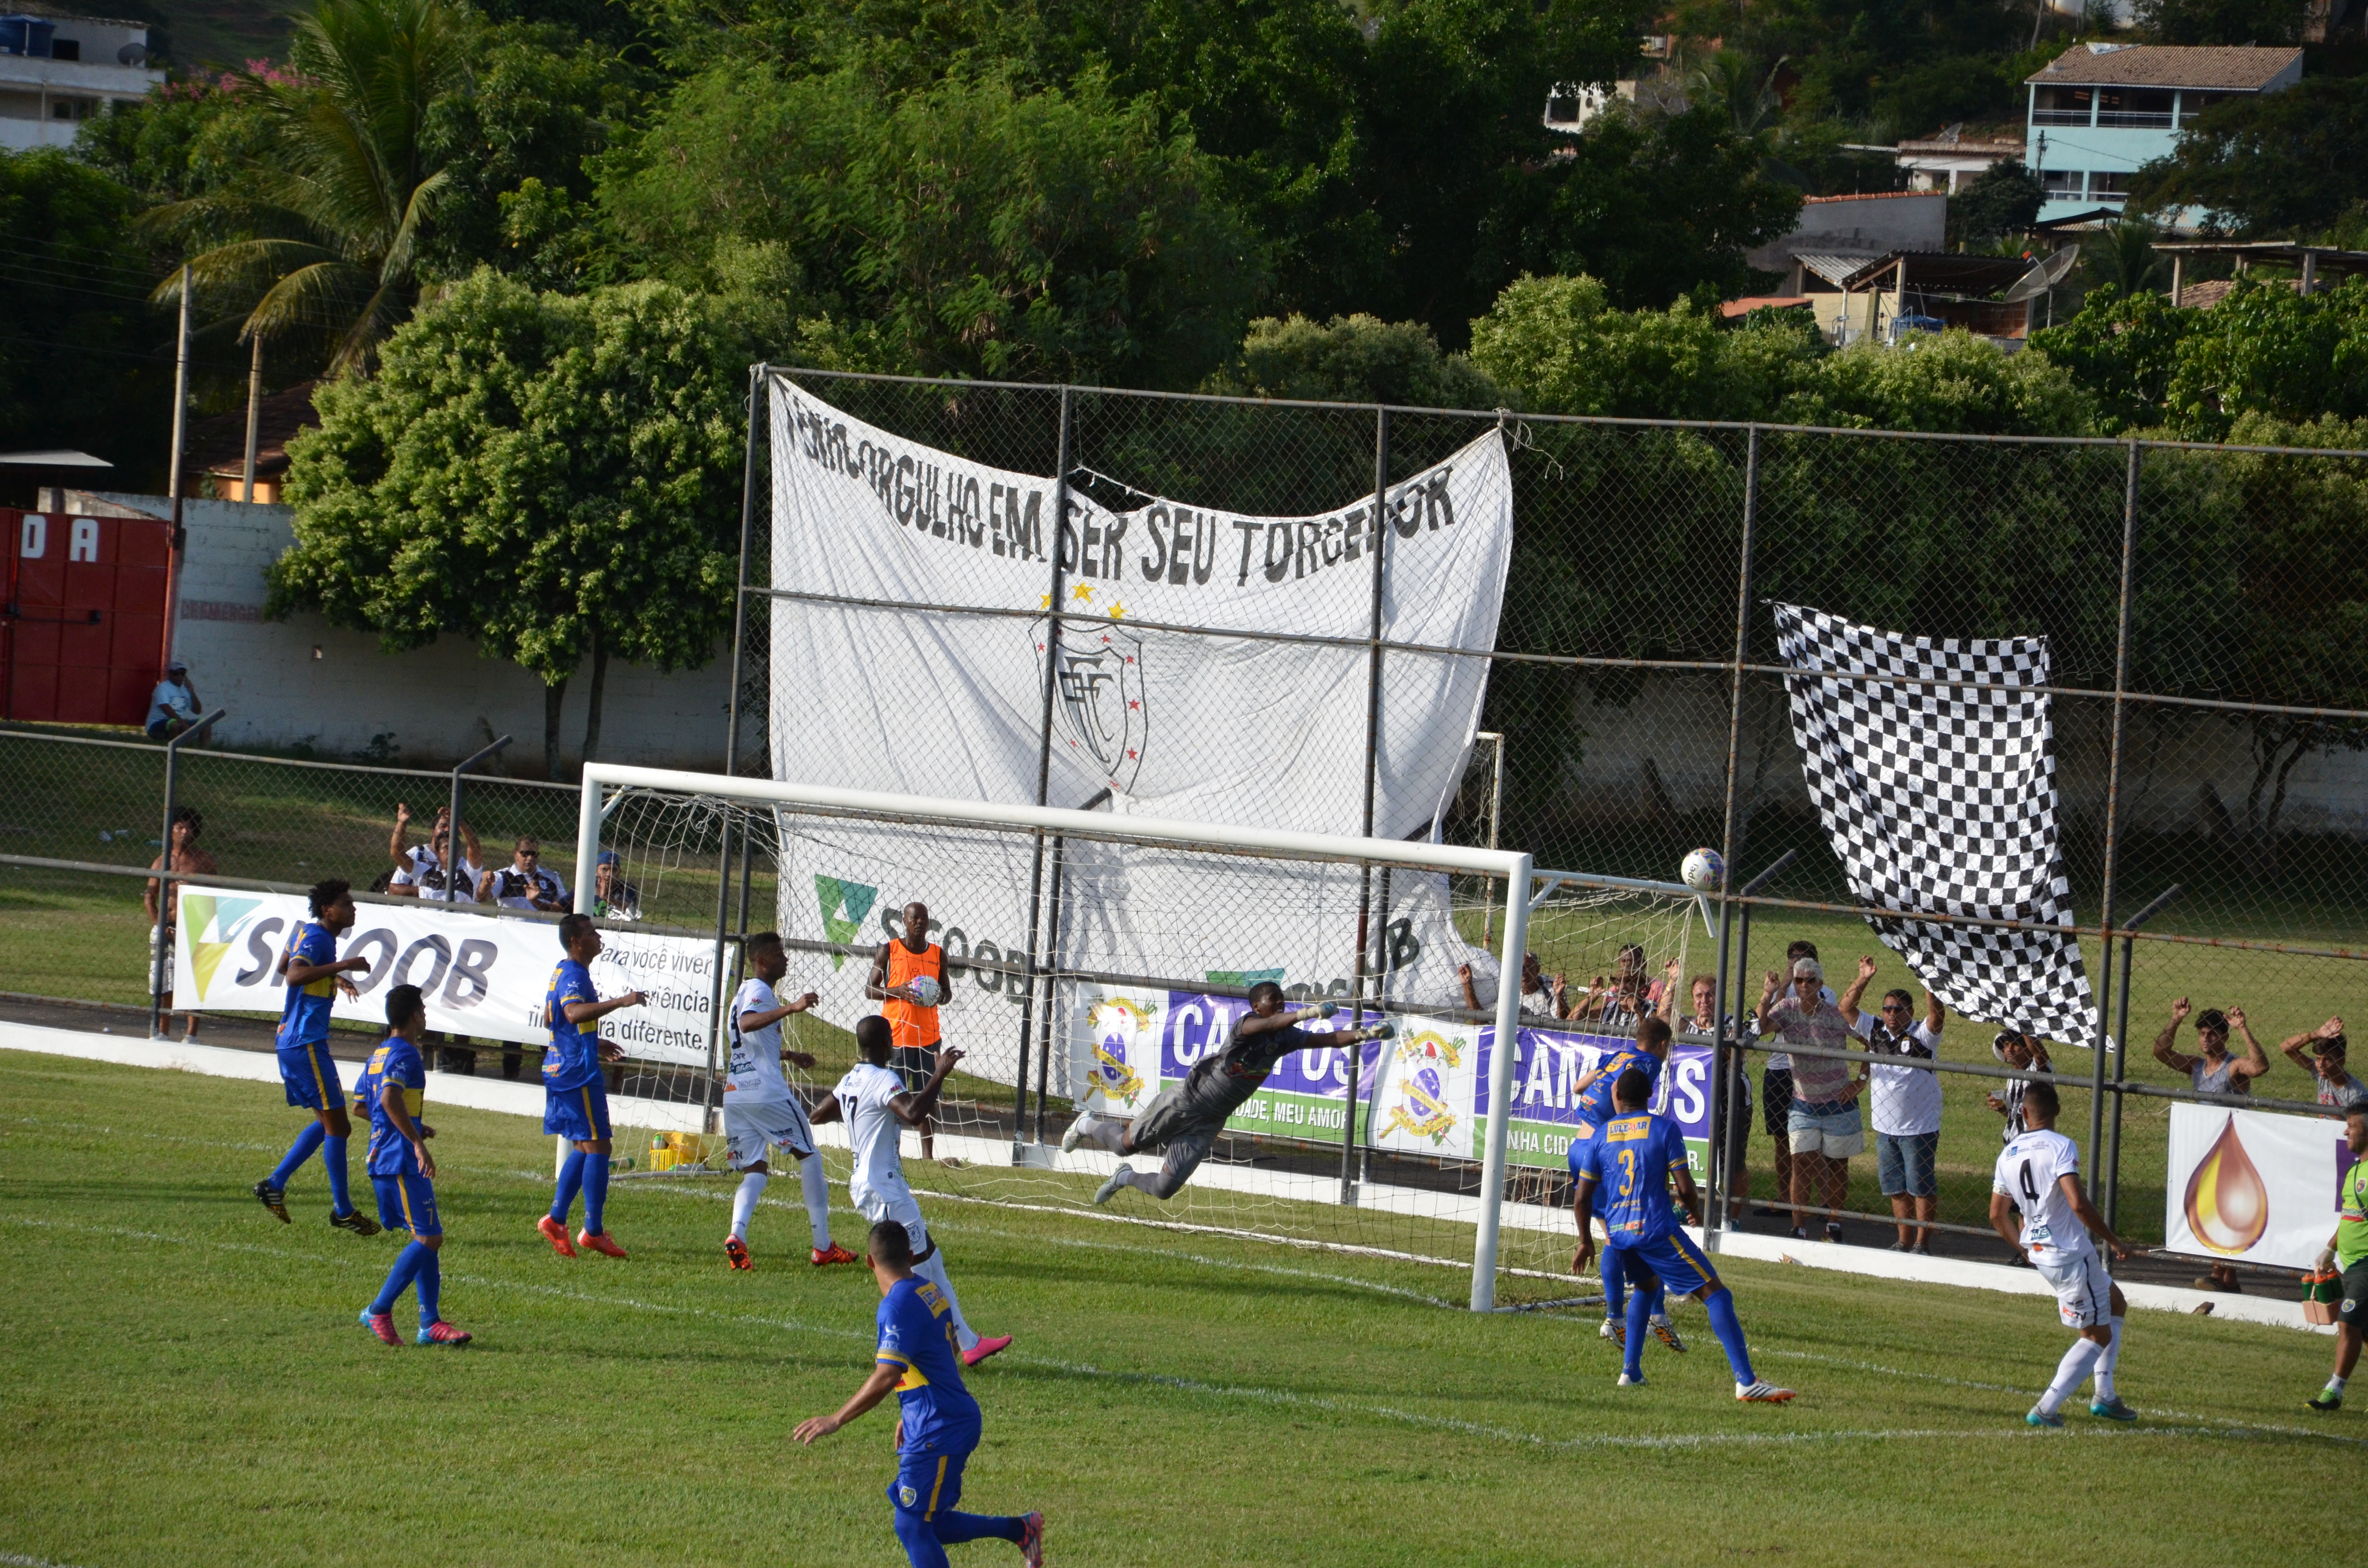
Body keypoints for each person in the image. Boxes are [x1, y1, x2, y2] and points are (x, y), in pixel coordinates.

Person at [793, 1221, 1044, 1568]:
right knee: (929, 1521)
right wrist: (910, 1410)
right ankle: (1021, 1529)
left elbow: (887, 1375)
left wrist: (835, 1419)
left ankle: (1021, 1529)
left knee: (911, 1525)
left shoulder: (896, 1306)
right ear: (911, 1256)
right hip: (942, 1418)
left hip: (939, 1426)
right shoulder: (930, 1290)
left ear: (869, 1262)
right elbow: (949, 1350)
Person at [1568, 1067, 1795, 1402]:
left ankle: (1630, 1373)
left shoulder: (1601, 1135)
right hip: (1655, 1230)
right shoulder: (1663, 1129)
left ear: (1616, 1097)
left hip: (1618, 1234)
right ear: (1649, 1097)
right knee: (1717, 1294)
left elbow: (1582, 1197)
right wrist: (1694, 1211)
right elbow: (1686, 1187)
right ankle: (1747, 1381)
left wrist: (1586, 1241)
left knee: (1646, 1288)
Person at [1063, 981, 1393, 1204]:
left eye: (1283, 1002)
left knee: (1165, 1190)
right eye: (1273, 1002)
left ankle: (1125, 1179)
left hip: (1211, 1121)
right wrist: (1306, 1013)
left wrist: (1365, 1033)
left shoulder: (1286, 1038)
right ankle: (1086, 1125)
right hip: (1187, 1101)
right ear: (1256, 1007)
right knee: (1124, 1146)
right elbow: (1262, 1027)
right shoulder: (1245, 1026)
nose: (1280, 1005)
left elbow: (1328, 1040)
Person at [814, 1017, 1011, 1366]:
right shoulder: (884, 1079)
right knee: (913, 1276)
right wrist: (940, 1074)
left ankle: (968, 1343)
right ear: (887, 1044)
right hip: (885, 1189)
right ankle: (918, 1351)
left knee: (932, 1261)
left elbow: (818, 1115)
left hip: (869, 1182)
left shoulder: (851, 1080)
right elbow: (913, 1113)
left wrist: (862, 1119)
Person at [1987, 1079, 2139, 1427]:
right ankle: (2047, 1408)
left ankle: (2106, 1395)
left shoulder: (2007, 1153)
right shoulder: (2061, 1146)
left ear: (2023, 1113)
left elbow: (1997, 1215)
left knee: (2116, 1303)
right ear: (2057, 1111)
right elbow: (2078, 1203)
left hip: (2043, 1254)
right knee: (2097, 1336)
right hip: (2071, 1254)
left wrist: (2024, 1248)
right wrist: (2114, 1242)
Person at [722, 931, 859, 1271]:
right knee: (809, 1157)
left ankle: (737, 1236)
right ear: (761, 961)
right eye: (778, 953)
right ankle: (822, 1246)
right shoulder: (759, 992)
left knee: (755, 1170)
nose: (786, 958)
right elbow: (748, 1024)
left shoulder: (742, 993)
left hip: (737, 1094)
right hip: (765, 1093)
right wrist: (793, 1007)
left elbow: (747, 1040)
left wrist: (789, 1054)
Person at [252, 878, 380, 1236]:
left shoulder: (306, 932)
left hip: (294, 1041)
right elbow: (293, 976)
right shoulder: (320, 938)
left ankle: (275, 1184)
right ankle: (342, 1210)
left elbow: (285, 967)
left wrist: (334, 979)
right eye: (347, 903)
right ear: (328, 910)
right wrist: (343, 967)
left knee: (331, 1124)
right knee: (339, 1126)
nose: (353, 908)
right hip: (306, 1042)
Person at [352, 984, 471, 1347]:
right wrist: (416, 1142)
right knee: (430, 1237)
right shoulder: (405, 1053)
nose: (425, 1014)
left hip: (383, 1155)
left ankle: (430, 1323)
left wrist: (414, 1125)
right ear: (416, 1015)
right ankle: (379, 1309)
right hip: (400, 1159)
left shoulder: (379, 1053)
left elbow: (361, 1106)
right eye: (423, 1008)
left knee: (427, 1235)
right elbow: (389, 1097)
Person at [1566, 1016, 1683, 1353]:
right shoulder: (1649, 1063)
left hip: (1580, 1147)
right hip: (1604, 1152)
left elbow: (1579, 1088)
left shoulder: (1617, 1057)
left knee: (1616, 1234)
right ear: (1662, 1045)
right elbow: (1619, 1090)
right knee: (1642, 1231)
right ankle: (1652, 1316)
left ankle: (1620, 1316)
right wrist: (1622, 1127)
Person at [536, 913, 645, 1260]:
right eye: (590, 932)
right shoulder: (573, 974)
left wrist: (594, 1042)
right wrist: (620, 1002)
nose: (598, 936)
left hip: (564, 1063)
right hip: (575, 1072)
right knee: (600, 1147)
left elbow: (550, 1017)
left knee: (586, 1146)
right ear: (575, 942)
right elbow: (570, 1014)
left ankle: (556, 1220)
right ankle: (593, 1232)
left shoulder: (562, 970)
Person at [2154, 998, 2270, 1292]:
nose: (2206, 1039)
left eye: (2212, 1034)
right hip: (2202, 1146)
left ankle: (2219, 1274)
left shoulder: (2233, 1068)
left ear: (2224, 1037)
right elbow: (2161, 1052)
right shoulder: (2196, 1066)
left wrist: (2244, 1028)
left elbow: (2260, 1066)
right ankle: (2228, 1278)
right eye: (2202, 1033)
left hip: (2231, 1146)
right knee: (2209, 1206)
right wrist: (2176, 1019)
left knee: (2222, 1208)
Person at [1756, 954, 1872, 1243]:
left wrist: (1860, 1081)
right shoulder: (1786, 1008)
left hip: (1839, 1103)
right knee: (1801, 1163)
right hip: (1803, 1103)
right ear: (1793, 982)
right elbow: (1761, 1027)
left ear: (1820, 983)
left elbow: (1871, 1043)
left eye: (1810, 981)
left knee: (1837, 1165)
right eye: (1799, 980)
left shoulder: (1834, 1014)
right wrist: (1767, 995)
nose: (1804, 986)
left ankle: (1834, 1224)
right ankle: (1799, 1226)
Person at [1842, 967, 1945, 1254]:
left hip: (1919, 1128)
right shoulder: (1875, 1029)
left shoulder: (1923, 1036)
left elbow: (1937, 1017)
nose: (1891, 1015)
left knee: (1920, 1186)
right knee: (1895, 1187)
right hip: (1885, 1128)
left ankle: (1923, 1243)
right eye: (1887, 1009)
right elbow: (1846, 1007)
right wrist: (1863, 978)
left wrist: (1929, 984)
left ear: (1910, 1012)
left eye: (1898, 1010)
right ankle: (1905, 1241)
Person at [869, 902, 952, 1163]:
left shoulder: (938, 954)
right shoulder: (889, 951)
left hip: (929, 1039)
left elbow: (947, 993)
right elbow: (870, 990)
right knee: (895, 1099)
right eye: (914, 918)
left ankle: (928, 1155)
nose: (919, 922)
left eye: (924, 918)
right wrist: (898, 991)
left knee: (927, 1099)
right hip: (898, 1039)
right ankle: (890, 1151)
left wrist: (938, 996)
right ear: (904, 921)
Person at [1753, 940, 1828, 1222]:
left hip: (1809, 1073)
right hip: (1778, 1069)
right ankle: (1785, 1198)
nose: (1797, 962)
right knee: (1781, 1139)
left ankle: (1823, 1202)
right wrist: (1782, 986)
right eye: (1792, 959)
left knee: (1813, 1140)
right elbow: (1760, 1026)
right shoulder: (1779, 990)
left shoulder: (1825, 993)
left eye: (1803, 957)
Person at [2305, 1102, 2368, 1412]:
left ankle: (2334, 1392)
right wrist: (2331, 1249)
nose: (2346, 1131)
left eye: (2352, 1125)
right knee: (2363, 1330)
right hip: (2353, 1264)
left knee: (2347, 1322)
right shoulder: (2356, 1170)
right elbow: (2349, 1218)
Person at [1682, 970, 1754, 1222]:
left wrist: (1713, 1033)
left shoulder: (1732, 1023)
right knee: (1686, 1159)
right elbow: (1662, 1020)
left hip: (1732, 1105)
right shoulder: (1686, 1025)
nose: (1705, 1001)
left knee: (1732, 1165)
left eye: (1711, 995)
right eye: (1699, 996)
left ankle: (1730, 1219)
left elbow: (1732, 1056)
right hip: (1694, 1108)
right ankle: (1686, 1210)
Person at [143, 804, 218, 1039]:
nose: (185, 832)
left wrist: (202, 927)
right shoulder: (161, 862)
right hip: (165, 928)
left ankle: (191, 1035)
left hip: (194, 928)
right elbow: (149, 897)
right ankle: (162, 1032)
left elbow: (214, 897)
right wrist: (160, 925)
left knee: (194, 981)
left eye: (190, 828)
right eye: (180, 827)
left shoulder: (205, 861)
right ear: (171, 831)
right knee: (163, 983)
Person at [385, 802, 482, 904]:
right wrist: (402, 823)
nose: (452, 851)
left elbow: (474, 846)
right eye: (447, 847)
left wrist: (459, 821)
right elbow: (397, 853)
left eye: (456, 848)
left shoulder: (468, 873)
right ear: (437, 853)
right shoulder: (425, 872)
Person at [2279, 1017, 2366, 1110]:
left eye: (2327, 1060)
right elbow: (2286, 1048)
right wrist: (2317, 1035)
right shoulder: (2321, 1073)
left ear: (2341, 1061)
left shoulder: (2357, 1096)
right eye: (2318, 1059)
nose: (2321, 1065)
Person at [1458, 951, 1564, 1019]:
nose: (1523, 972)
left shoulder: (1551, 989)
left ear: (1537, 969)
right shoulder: (1508, 991)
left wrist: (1560, 996)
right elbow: (1479, 1020)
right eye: (1519, 967)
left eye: (1528, 967)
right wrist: (1468, 985)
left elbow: (1564, 1023)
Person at [479, 836, 569, 911]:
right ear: (515, 854)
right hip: (511, 931)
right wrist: (486, 883)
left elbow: (565, 906)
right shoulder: (503, 876)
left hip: (541, 931)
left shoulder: (552, 877)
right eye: (525, 853)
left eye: (534, 854)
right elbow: (482, 898)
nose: (530, 858)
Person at [145, 657, 208, 742]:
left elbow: (198, 711)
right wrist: (184, 724)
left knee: (206, 724)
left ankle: (203, 753)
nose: (180, 676)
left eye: (182, 674)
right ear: (170, 674)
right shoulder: (163, 688)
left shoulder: (185, 690)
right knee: (174, 724)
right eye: (176, 673)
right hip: (157, 725)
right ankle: (173, 751)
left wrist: (192, 693)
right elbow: (166, 708)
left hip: (179, 722)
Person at [591, 851, 641, 920]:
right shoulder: (588, 886)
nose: (609, 874)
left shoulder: (627, 888)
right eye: (604, 869)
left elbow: (629, 910)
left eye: (614, 870)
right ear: (596, 871)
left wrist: (606, 898)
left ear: (619, 872)